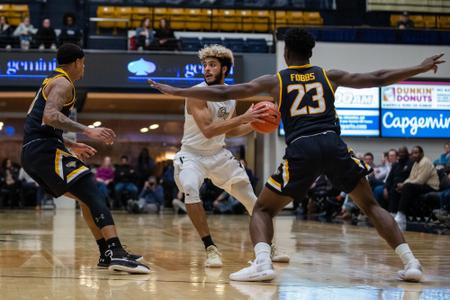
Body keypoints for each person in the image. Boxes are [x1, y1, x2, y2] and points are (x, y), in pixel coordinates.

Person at [148, 28, 446, 282]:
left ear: (287, 52)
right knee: (370, 204)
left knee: (263, 209)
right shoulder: (329, 75)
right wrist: (418, 68)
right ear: (310, 53)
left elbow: (226, 93)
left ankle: (263, 262)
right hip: (333, 144)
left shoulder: (277, 80)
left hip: (302, 148)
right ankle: (411, 264)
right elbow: (378, 77)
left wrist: (177, 91)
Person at [151, 45, 288, 268]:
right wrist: (245, 117)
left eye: (212, 65)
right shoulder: (196, 93)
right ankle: (210, 248)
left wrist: (253, 124)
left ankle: (268, 246)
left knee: (252, 201)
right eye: (205, 65)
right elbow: (209, 129)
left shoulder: (231, 96)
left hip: (219, 155)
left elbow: (230, 130)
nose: (206, 69)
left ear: (225, 69)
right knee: (190, 187)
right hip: (192, 155)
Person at [21, 43, 149, 274]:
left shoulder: (51, 80)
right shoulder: (63, 83)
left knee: (86, 198)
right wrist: (87, 130)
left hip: (35, 151)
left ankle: (106, 253)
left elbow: (40, 123)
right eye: (84, 63)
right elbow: (50, 117)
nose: (84, 68)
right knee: (93, 191)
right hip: (44, 150)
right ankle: (116, 251)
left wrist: (71, 144)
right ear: (77, 62)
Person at [394, 146, 440, 231]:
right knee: (399, 187)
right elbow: (411, 178)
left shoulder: (425, 162)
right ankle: (399, 214)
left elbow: (420, 181)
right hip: (421, 186)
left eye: (416, 153)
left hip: (431, 187)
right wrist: (403, 184)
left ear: (421, 153)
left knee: (407, 187)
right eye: (412, 153)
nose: (414, 155)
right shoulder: (415, 163)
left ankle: (401, 214)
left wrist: (405, 185)